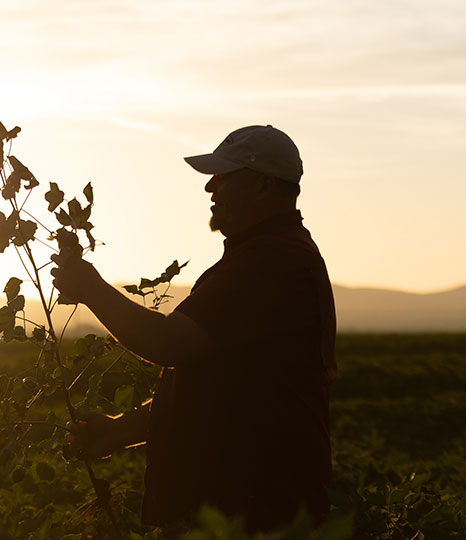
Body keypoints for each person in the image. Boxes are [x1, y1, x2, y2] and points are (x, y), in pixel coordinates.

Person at [51, 125, 336, 533]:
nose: (210, 188)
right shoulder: (264, 257)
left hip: (250, 514)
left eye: (224, 176)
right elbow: (220, 388)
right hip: (237, 508)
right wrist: (120, 431)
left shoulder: (270, 264)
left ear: (263, 187)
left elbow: (168, 343)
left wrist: (91, 290)